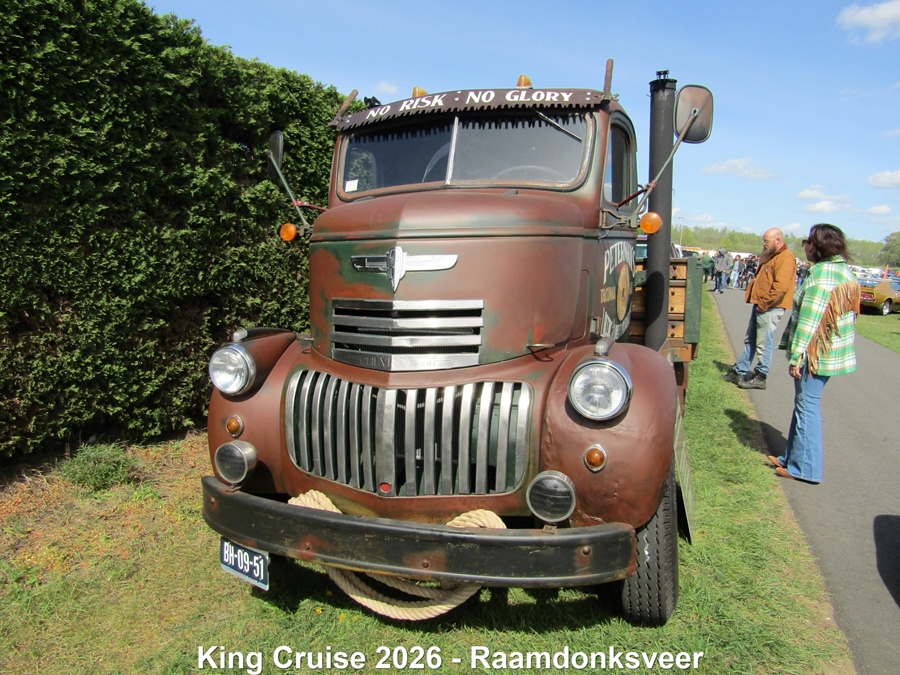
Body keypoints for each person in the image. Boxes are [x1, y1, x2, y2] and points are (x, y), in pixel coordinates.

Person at [768, 224, 859, 483]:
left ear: (817, 247)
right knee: (803, 404)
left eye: (809, 242)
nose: (805, 246)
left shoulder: (822, 277)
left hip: (815, 353)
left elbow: (810, 321)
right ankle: (792, 458)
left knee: (807, 406)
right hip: (829, 350)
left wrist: (797, 356)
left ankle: (805, 468)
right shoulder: (844, 271)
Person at [724, 228, 797, 389]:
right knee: (750, 340)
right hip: (762, 304)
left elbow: (781, 287)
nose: (764, 244)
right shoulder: (773, 255)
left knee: (764, 342)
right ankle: (739, 370)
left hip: (771, 306)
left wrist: (764, 304)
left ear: (778, 240)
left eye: (766, 241)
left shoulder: (785, 257)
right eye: (763, 240)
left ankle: (761, 375)